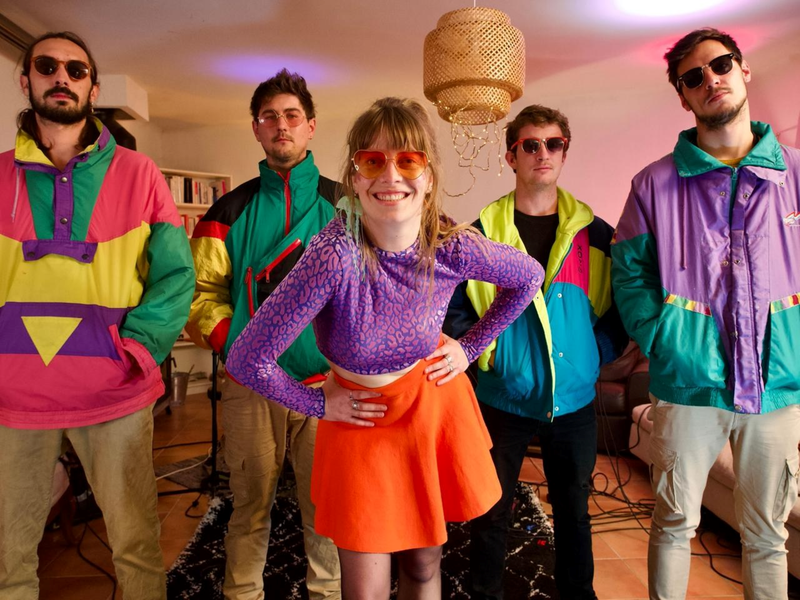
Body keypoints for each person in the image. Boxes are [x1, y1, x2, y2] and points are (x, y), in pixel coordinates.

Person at [224, 97, 544, 599]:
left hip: (428, 407)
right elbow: (247, 358)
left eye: (408, 160)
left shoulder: (451, 245)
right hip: (360, 421)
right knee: (365, 585)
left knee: (423, 564)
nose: (390, 175)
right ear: (354, 178)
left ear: (429, 176)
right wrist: (317, 404)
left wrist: (470, 347)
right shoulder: (333, 254)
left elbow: (528, 277)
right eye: (372, 161)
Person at [0, 32, 194, 600]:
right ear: (26, 80)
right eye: (47, 65)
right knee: (9, 553)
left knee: (136, 542)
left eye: (76, 70)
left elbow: (176, 276)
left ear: (93, 88)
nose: (62, 76)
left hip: (114, 390)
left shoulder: (140, 173)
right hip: (13, 398)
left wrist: (137, 349)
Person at [611, 27, 800, 600]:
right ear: (683, 96)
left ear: (743, 70)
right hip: (688, 385)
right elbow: (630, 275)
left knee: (767, 535)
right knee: (673, 523)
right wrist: (665, 338)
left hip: (778, 386)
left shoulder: (794, 175)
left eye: (720, 64)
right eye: (693, 76)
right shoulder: (654, 184)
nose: (710, 79)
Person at [445, 104, 627, 600]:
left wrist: (593, 355)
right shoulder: (479, 235)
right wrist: (489, 358)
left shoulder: (597, 235)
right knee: (490, 511)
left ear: (565, 152)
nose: (542, 153)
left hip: (574, 403)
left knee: (574, 512)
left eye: (553, 144)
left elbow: (621, 310)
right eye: (530, 144)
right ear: (511, 156)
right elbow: (454, 311)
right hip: (503, 399)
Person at [186, 69, 341, 599]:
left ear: (311, 126)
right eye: (269, 116)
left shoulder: (349, 206)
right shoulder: (225, 212)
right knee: (249, 507)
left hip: (327, 388)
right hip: (250, 388)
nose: (281, 125)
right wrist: (238, 350)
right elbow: (200, 295)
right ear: (255, 129)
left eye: (292, 115)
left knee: (326, 510)